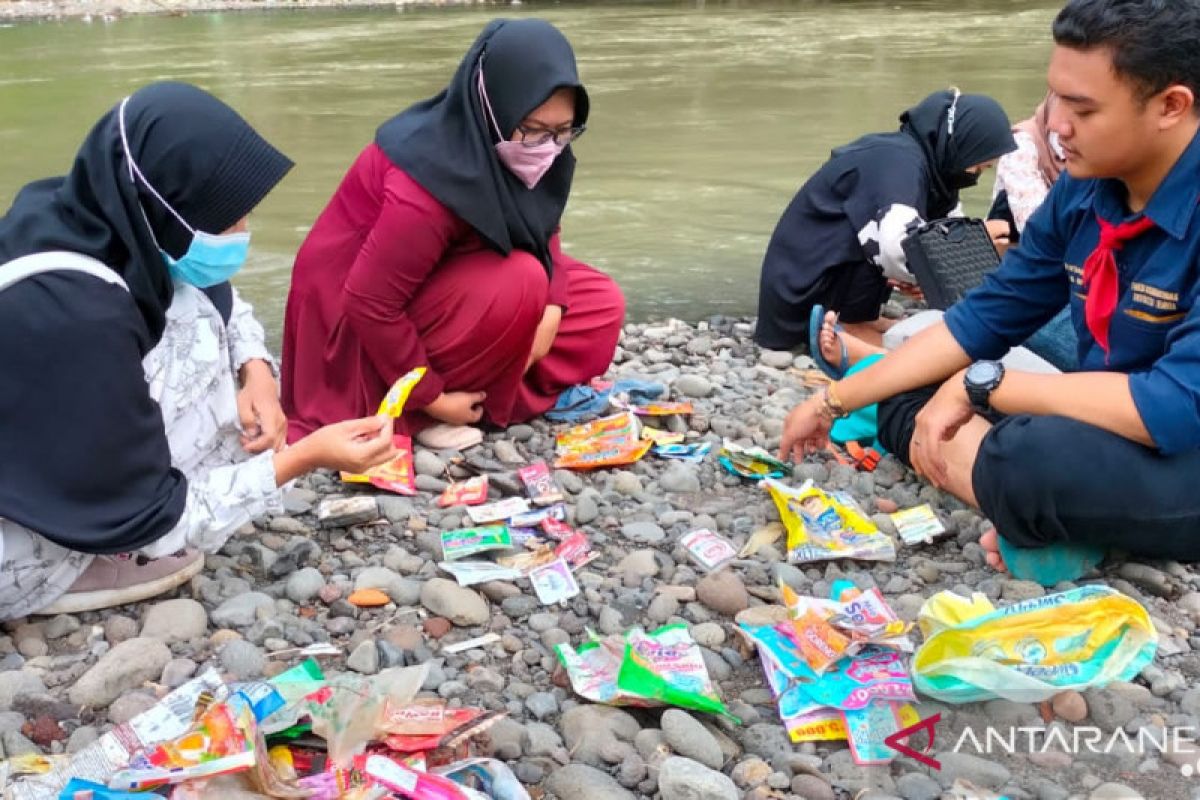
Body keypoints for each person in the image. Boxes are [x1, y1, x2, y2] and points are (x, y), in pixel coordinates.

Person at [779, 0, 1200, 584]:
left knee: (1028, 455)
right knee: (918, 377)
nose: (1055, 127)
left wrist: (989, 387)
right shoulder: (1086, 192)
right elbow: (982, 318)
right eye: (1055, 100)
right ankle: (1057, 515)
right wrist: (834, 401)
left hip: (1185, 441)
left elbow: (1176, 408)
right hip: (1109, 414)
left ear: (1171, 106)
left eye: (1083, 109)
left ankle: (1043, 504)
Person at [0, 83, 396, 620]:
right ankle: (75, 563)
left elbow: (226, 302)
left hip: (46, 442)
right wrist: (303, 458)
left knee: (198, 312)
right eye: (227, 220)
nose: (241, 233)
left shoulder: (99, 214)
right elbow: (164, 522)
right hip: (16, 536)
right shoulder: (78, 320)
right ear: (165, 206)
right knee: (198, 349)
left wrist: (256, 371)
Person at [281, 18, 626, 451]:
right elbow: (370, 302)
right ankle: (422, 412)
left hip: (450, 278)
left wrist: (553, 306)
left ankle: (486, 394)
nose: (547, 148)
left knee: (599, 303)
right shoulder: (424, 181)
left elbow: (544, 228)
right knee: (522, 280)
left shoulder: (529, 145)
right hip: (352, 325)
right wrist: (434, 399)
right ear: (492, 104)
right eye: (535, 130)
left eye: (563, 131)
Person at [755, 89, 1017, 349]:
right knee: (887, 239)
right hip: (802, 302)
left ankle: (862, 321)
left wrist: (926, 278)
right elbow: (898, 250)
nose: (977, 175)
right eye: (979, 166)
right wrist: (977, 240)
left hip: (813, 282)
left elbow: (943, 231)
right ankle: (849, 328)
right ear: (962, 145)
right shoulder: (899, 163)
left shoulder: (933, 170)